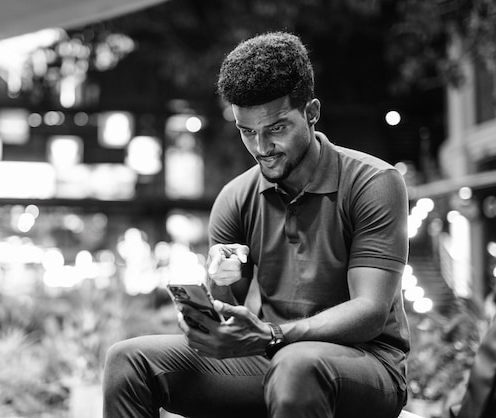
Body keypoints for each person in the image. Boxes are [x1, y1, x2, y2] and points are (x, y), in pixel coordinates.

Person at [103, 31, 410, 418]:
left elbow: (370, 311)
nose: (261, 147)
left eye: (277, 128)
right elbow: (227, 317)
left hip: (369, 365)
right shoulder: (235, 197)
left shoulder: (374, 182)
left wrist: (275, 334)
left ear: (312, 112)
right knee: (127, 361)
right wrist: (219, 290)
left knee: (296, 366)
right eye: (247, 131)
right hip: (274, 357)